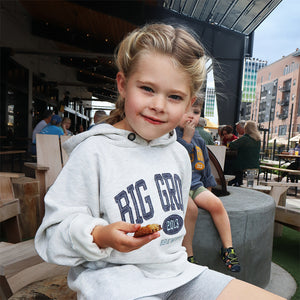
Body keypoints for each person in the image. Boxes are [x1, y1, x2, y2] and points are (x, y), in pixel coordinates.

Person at [34, 23, 284, 300]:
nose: (159, 105)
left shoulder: (178, 153)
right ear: (123, 85)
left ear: (190, 105)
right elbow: (53, 236)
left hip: (177, 275)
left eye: (175, 96)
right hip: (114, 282)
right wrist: (99, 235)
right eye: (147, 89)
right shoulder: (93, 152)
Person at [176, 98, 240, 272]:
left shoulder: (200, 139)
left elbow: (204, 165)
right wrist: (186, 140)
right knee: (191, 210)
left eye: (196, 113)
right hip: (176, 187)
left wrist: (209, 188)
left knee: (216, 204)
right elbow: (175, 161)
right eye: (185, 112)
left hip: (195, 185)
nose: (191, 117)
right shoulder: (170, 135)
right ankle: (188, 256)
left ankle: (228, 249)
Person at [228, 121, 261, 186]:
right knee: (250, 184)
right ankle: (248, 188)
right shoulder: (258, 139)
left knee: (232, 166)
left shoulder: (245, 138)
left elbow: (231, 145)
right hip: (254, 164)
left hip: (243, 165)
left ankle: (236, 184)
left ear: (246, 129)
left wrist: (234, 141)